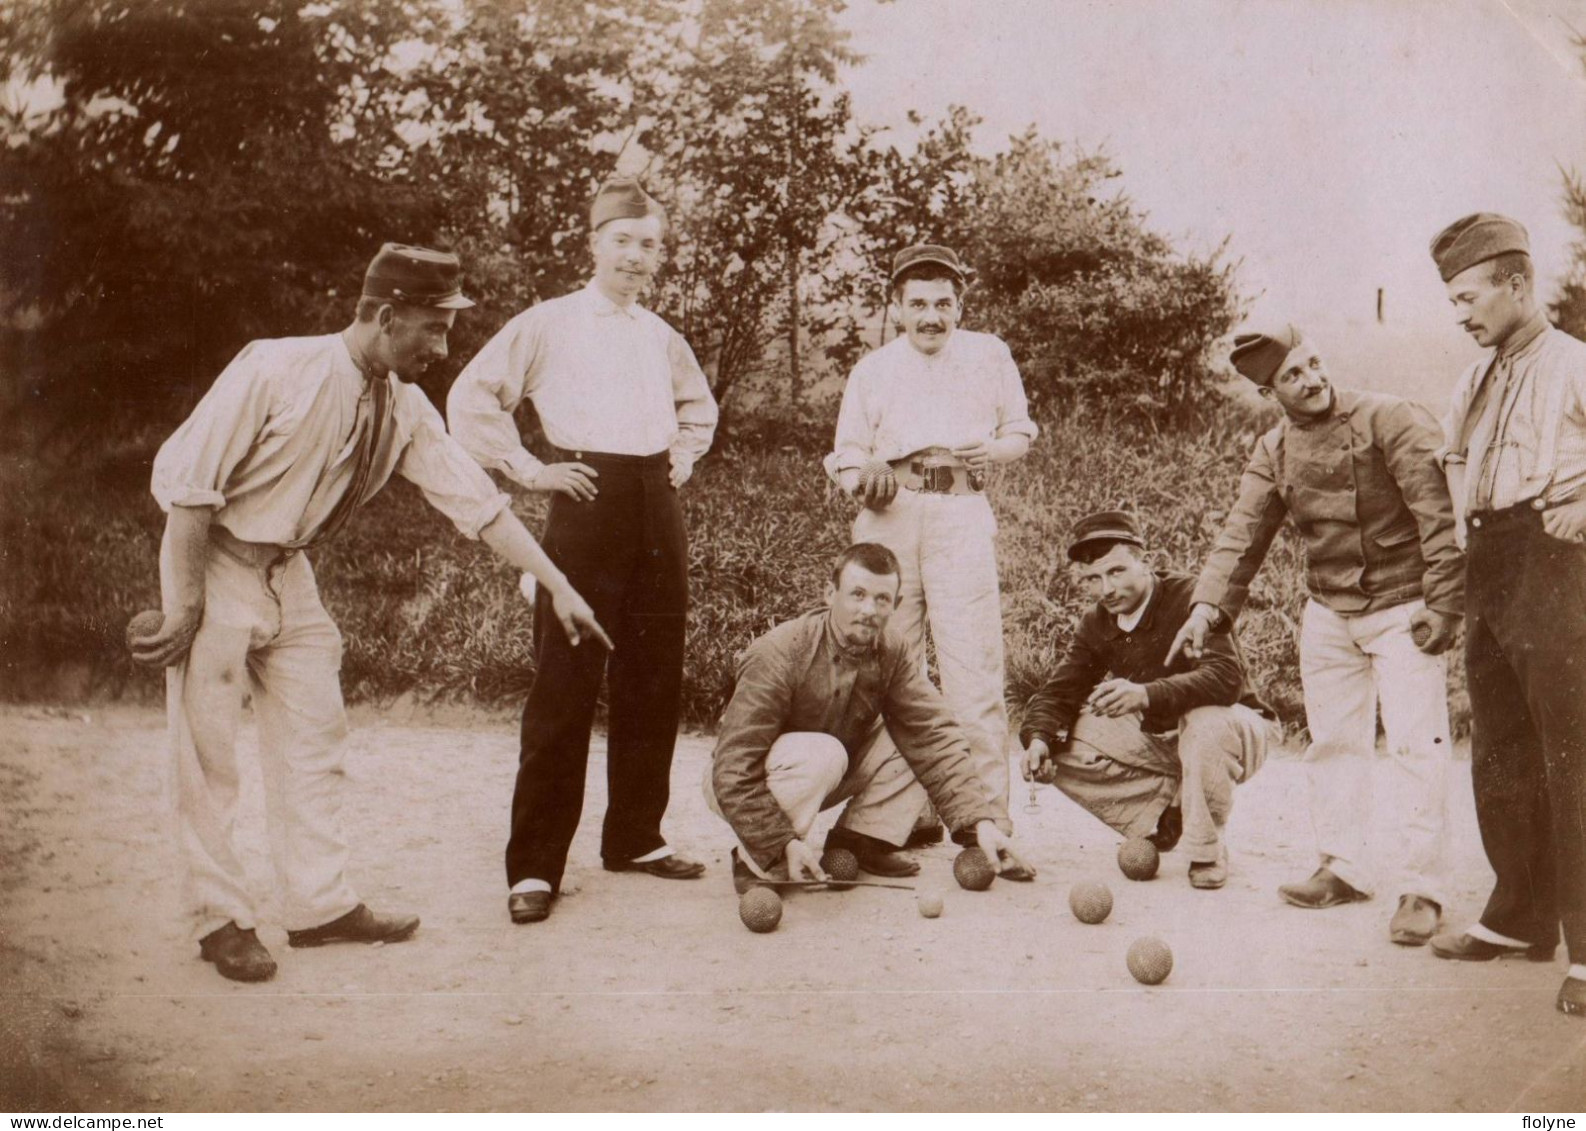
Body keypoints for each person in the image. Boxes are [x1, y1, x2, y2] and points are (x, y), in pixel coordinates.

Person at [133, 244, 610, 983]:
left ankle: (319, 906)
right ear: (387, 317)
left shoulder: (404, 407)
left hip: (289, 571)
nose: (443, 347)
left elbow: (476, 506)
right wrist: (187, 601)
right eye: (432, 327)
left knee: (316, 733)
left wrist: (558, 585)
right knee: (208, 752)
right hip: (215, 557)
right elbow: (190, 486)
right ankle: (219, 918)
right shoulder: (274, 367)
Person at [448, 177, 719, 926]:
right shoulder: (548, 323)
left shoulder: (661, 336)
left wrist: (683, 458)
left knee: (654, 673)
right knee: (565, 680)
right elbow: (471, 398)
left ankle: (635, 835)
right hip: (586, 497)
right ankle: (535, 863)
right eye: (623, 241)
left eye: (650, 245)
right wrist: (533, 469)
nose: (636, 257)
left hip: (655, 506)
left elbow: (698, 406)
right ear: (593, 242)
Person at [1167, 323, 1464, 944]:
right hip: (1328, 611)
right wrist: (1205, 610)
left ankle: (1422, 888)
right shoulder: (1274, 449)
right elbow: (1241, 534)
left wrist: (1444, 604)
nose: (1312, 380)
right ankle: (1344, 867)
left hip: (1404, 604)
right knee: (1333, 743)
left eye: (1313, 364)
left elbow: (1438, 516)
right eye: (1293, 377)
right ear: (1271, 392)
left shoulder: (1390, 419)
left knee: (1417, 745)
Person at [824, 244, 1037, 870]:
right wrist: (863, 475)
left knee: (974, 669)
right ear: (896, 308)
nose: (931, 317)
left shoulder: (989, 353)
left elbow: (1022, 430)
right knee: (893, 666)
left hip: (961, 515)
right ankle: (900, 815)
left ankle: (984, 818)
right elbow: (844, 451)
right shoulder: (874, 369)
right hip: (891, 516)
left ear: (959, 305)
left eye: (943, 304)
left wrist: (994, 453)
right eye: (917, 304)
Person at [1425, 212, 1586, 1017]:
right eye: (1453, 300)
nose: (1460, 314)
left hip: (1558, 567)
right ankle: (1520, 915)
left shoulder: (1575, 366)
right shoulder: (1473, 378)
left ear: (1518, 284)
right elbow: (1452, 456)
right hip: (1489, 564)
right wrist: (1461, 528)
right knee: (1500, 747)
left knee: (1573, 750)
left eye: (1469, 295)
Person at [706, 542, 1032, 890]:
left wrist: (981, 822)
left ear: (896, 605)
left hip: (823, 771)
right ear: (830, 594)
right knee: (823, 753)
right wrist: (777, 843)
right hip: (740, 782)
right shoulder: (779, 652)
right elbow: (733, 767)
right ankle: (756, 859)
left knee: (911, 734)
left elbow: (933, 736)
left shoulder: (892, 650)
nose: (868, 610)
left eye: (881, 599)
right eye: (857, 594)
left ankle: (861, 837)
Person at [1018, 512, 1273, 889]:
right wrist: (1038, 738)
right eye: (1092, 579)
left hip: (1236, 728)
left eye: (1116, 572)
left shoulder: (1191, 598)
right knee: (1059, 741)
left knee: (1205, 722)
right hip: (1164, 739)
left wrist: (1145, 694)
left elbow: (1226, 679)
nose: (1106, 588)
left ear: (1146, 562)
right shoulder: (1096, 622)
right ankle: (1170, 810)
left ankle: (1207, 849)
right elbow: (1059, 692)